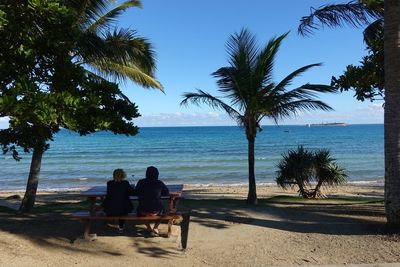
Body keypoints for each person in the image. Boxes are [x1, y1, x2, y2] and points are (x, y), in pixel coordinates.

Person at [135, 166, 169, 236]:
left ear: (146, 173)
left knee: (140, 209)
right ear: (157, 174)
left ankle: (149, 228)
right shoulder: (159, 183)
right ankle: (155, 228)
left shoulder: (141, 182)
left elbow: (135, 192)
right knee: (164, 212)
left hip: (142, 211)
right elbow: (166, 193)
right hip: (156, 211)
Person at [102, 168, 135, 233]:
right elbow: (132, 192)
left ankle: (119, 226)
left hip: (110, 210)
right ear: (123, 175)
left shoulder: (109, 183)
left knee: (117, 203)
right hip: (123, 210)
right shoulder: (125, 183)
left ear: (113, 175)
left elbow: (111, 193)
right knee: (123, 205)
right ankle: (121, 227)